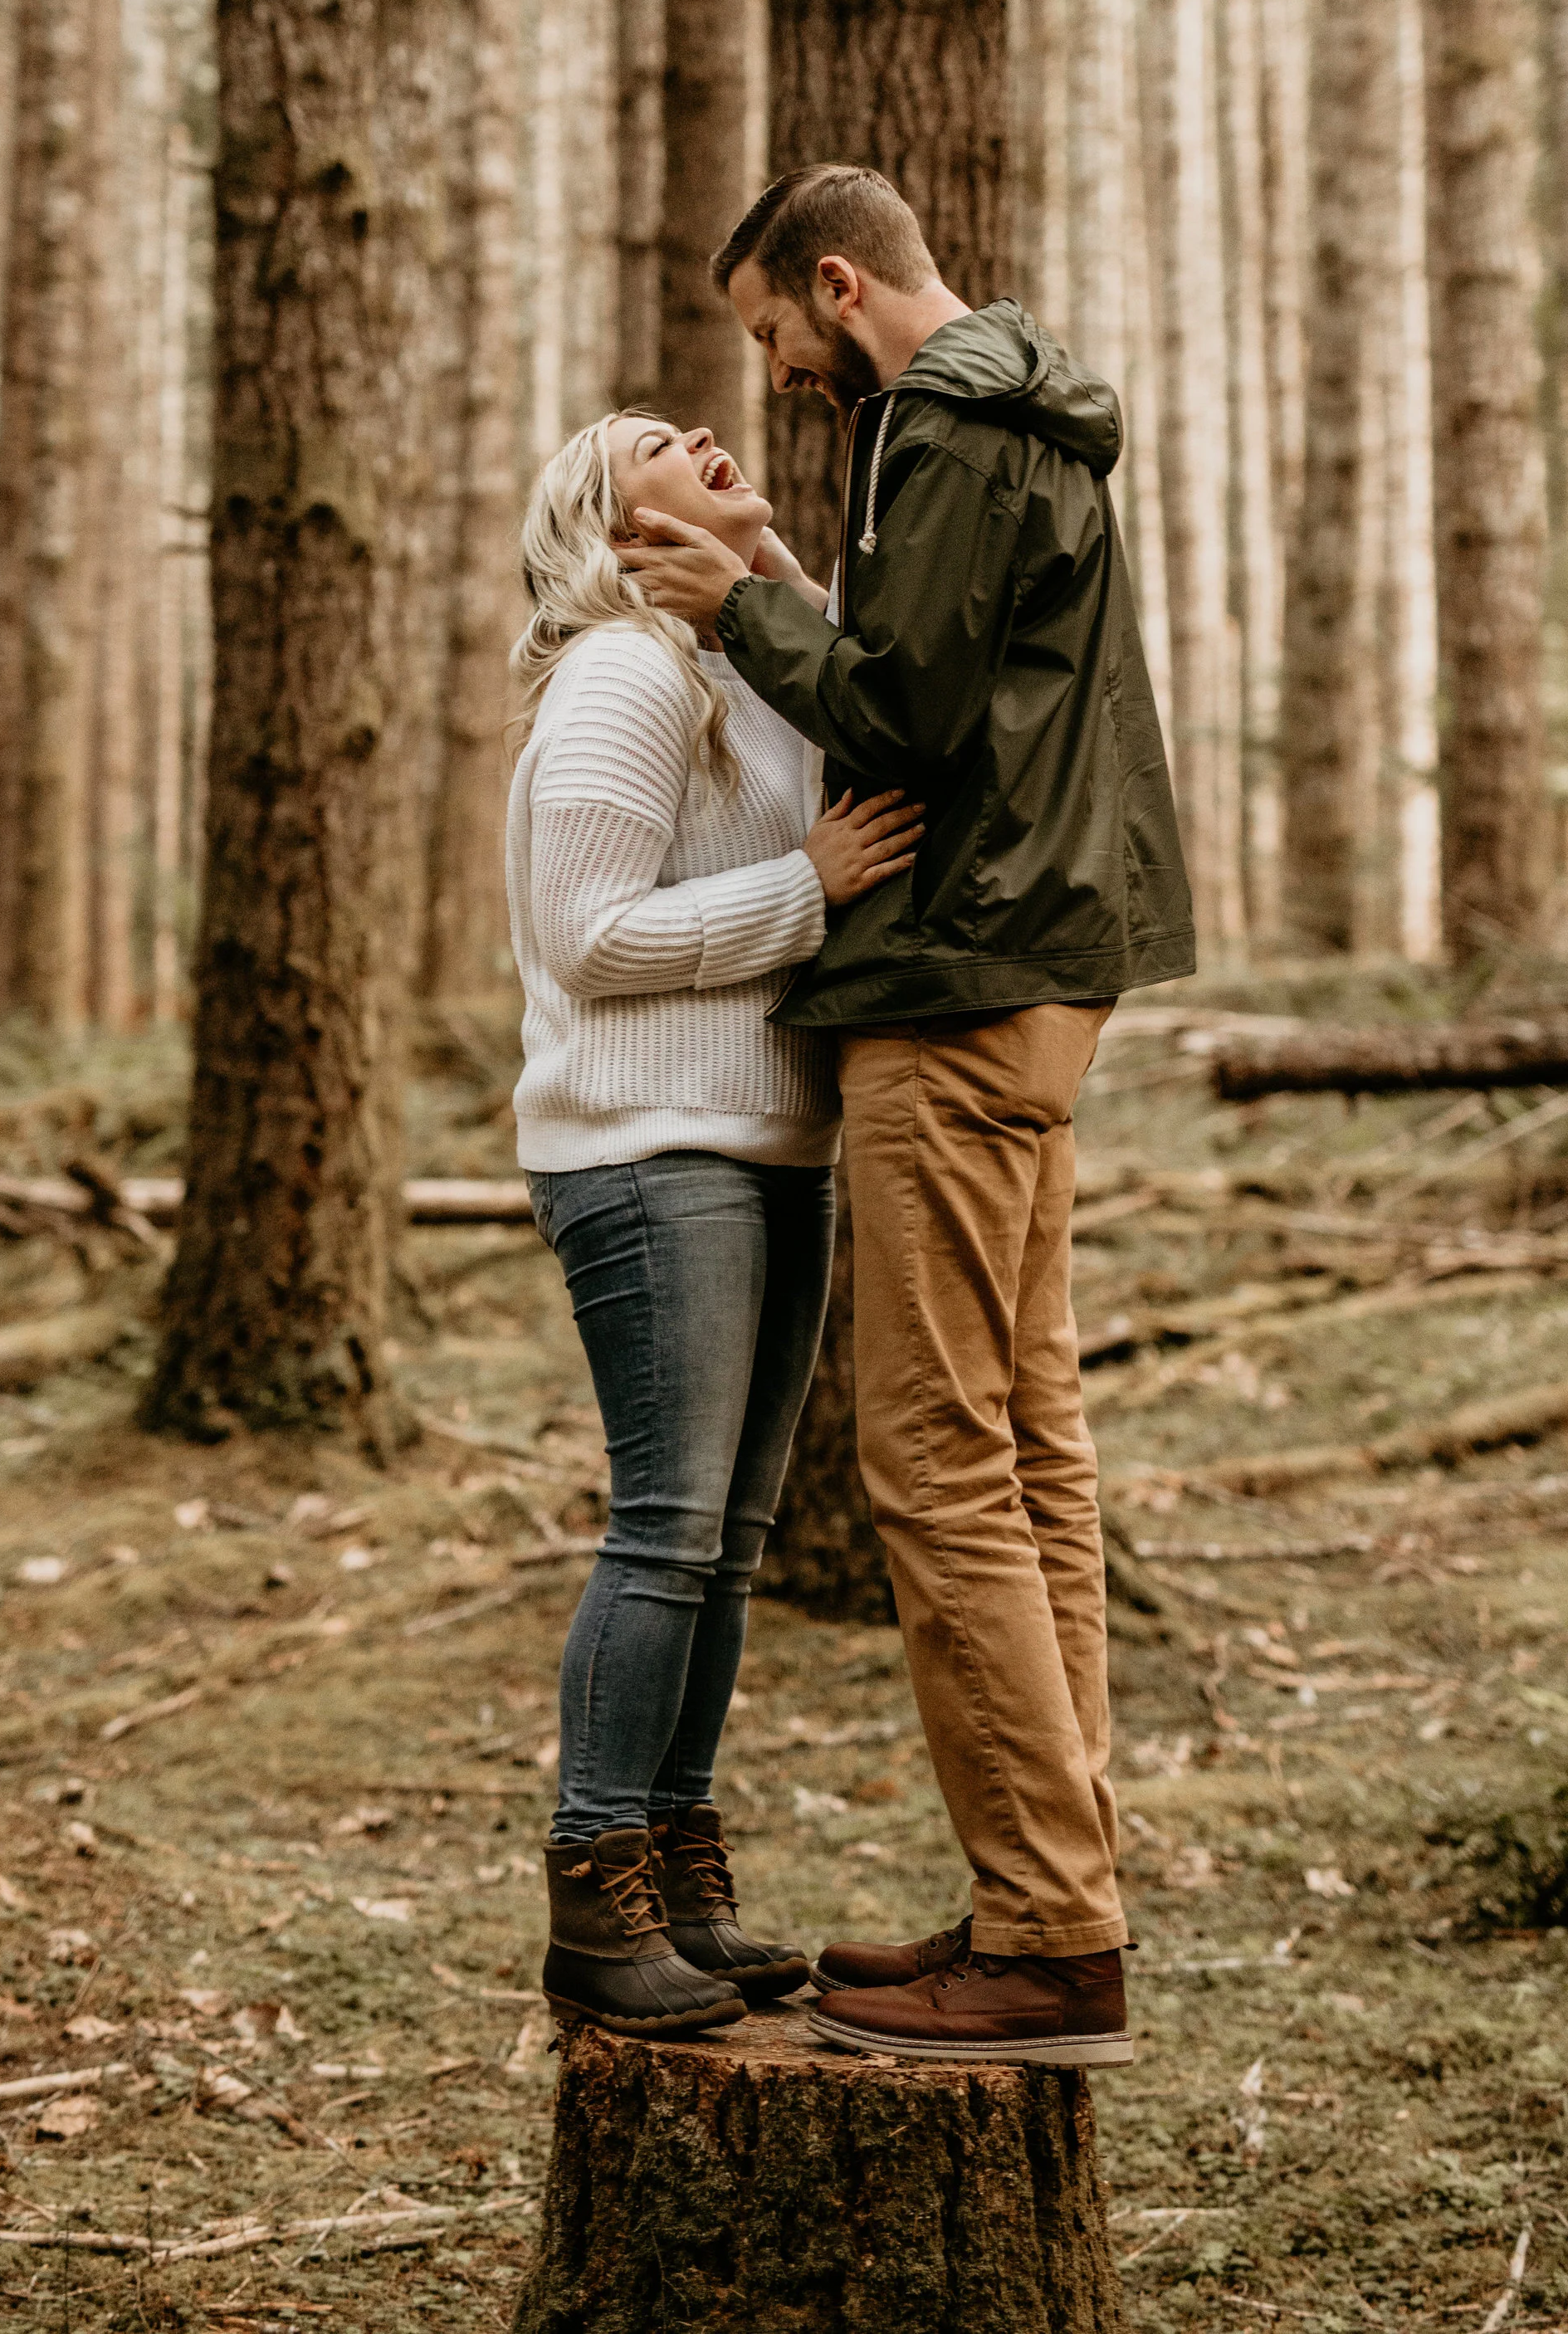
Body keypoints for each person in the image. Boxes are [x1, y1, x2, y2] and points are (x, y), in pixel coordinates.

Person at [617, 163, 1194, 2068]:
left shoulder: (937, 429)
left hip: (953, 982)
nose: (777, 375)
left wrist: (730, 610)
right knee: (1024, 1450)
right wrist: (793, 597)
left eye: (775, 334)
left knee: (940, 1465)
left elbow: (912, 720)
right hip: (1036, 971)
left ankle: (1045, 1938)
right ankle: (1048, 1899)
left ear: (837, 283)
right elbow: (954, 676)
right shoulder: (1019, 414)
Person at [506, 406, 924, 2036]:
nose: (695, 425)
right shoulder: (622, 672)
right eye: (646, 446)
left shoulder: (732, 666)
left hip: (763, 1145)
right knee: (667, 1528)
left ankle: (679, 1877)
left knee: (727, 1540)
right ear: (616, 532)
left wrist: (770, 579)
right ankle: (593, 1887)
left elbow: (848, 686)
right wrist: (809, 887)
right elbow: (588, 934)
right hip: (641, 1148)